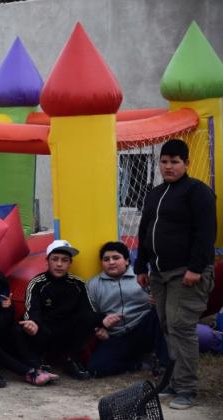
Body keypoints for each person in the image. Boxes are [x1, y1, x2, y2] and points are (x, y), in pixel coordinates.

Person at [134, 139, 217, 410]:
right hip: (159, 274)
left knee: (181, 328)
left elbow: (206, 234)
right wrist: (140, 266)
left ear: (186, 164)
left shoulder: (198, 192)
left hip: (186, 273)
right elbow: (145, 229)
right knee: (169, 326)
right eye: (164, 161)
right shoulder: (155, 193)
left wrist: (196, 268)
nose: (168, 167)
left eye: (175, 162)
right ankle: (174, 381)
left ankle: (187, 389)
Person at [19, 239, 122, 381]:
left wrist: (103, 320)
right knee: (26, 327)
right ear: (47, 261)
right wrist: (33, 323)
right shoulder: (36, 283)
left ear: (70, 263)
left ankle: (71, 360)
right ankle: (38, 363)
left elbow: (88, 311)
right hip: (44, 332)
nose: (59, 264)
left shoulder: (78, 283)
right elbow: (31, 310)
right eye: (55, 259)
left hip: (68, 335)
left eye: (65, 260)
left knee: (86, 319)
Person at [87, 241, 169, 377]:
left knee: (160, 313)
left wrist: (159, 301)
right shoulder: (93, 284)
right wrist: (99, 327)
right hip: (116, 336)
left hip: (143, 329)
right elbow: (90, 314)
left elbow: (166, 299)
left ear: (126, 261)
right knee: (95, 368)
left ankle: (164, 365)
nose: (111, 262)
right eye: (106, 259)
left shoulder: (143, 277)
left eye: (116, 258)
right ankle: (139, 363)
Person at [0, 268, 59, 387]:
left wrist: (7, 310)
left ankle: (35, 367)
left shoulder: (0, 304)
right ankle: (29, 372)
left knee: (17, 329)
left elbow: (3, 331)